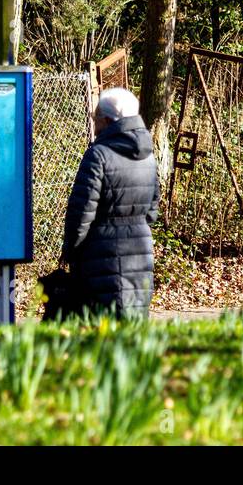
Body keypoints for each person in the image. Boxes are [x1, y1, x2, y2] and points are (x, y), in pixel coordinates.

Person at [56, 87, 160, 319]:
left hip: (100, 254)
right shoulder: (149, 156)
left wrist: (70, 249)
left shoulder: (99, 155)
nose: (94, 123)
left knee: (101, 325)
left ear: (107, 120)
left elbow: (82, 212)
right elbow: (152, 209)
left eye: (95, 118)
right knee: (133, 323)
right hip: (140, 251)